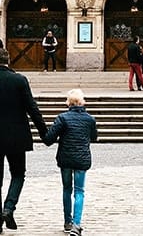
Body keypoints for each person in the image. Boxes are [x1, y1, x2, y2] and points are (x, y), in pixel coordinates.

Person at [0, 48, 48, 235]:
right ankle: (9, 207)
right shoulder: (19, 80)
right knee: (18, 175)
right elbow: (32, 108)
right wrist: (45, 133)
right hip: (16, 137)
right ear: (8, 61)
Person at [43, 88, 98, 236]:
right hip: (81, 159)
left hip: (66, 158)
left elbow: (49, 138)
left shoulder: (62, 118)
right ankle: (76, 224)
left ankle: (67, 221)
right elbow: (94, 137)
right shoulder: (89, 119)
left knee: (67, 189)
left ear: (68, 103)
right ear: (82, 102)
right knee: (79, 191)